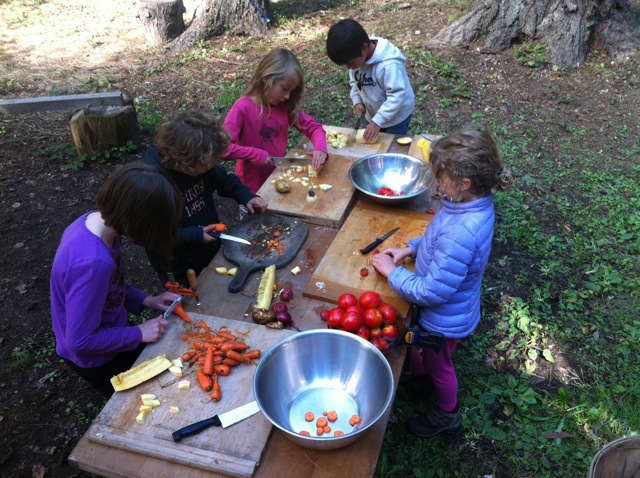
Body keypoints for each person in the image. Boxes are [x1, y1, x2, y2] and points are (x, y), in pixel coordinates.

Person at [371, 124, 513, 438]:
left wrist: (394, 273)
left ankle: (447, 413)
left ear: (463, 184)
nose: (436, 183)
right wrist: (410, 247)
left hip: (444, 319)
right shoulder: (468, 207)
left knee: (441, 365)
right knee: (427, 352)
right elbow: (438, 237)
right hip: (453, 309)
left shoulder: (463, 230)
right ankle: (418, 373)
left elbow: (433, 291)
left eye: (440, 178)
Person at [50, 163, 184, 398]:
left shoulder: (97, 224)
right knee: (135, 399)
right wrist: (139, 333)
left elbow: (112, 285)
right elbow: (80, 340)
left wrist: (147, 300)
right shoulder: (93, 264)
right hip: (99, 358)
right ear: (135, 223)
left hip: (112, 333)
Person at [145, 109, 268, 285]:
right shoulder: (152, 184)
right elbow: (150, 235)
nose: (210, 168)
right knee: (194, 299)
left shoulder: (198, 162)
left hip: (207, 247)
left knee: (216, 282)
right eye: (205, 166)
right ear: (180, 160)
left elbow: (222, 179)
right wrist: (193, 235)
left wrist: (245, 196)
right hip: (179, 264)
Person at [223, 47, 328, 194]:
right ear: (266, 78)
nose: (287, 96)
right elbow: (222, 148)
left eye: (291, 91)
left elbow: (314, 128)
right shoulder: (242, 108)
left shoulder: (284, 107)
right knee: (253, 217)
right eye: (285, 88)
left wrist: (320, 148)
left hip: (279, 177)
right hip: (250, 188)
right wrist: (255, 154)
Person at [326, 18, 416, 142]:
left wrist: (377, 121)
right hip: (373, 113)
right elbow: (355, 83)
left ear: (364, 48)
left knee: (391, 145)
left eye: (350, 63)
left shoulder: (388, 65)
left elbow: (397, 96)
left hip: (396, 117)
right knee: (369, 142)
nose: (348, 68)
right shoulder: (355, 56)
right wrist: (357, 101)